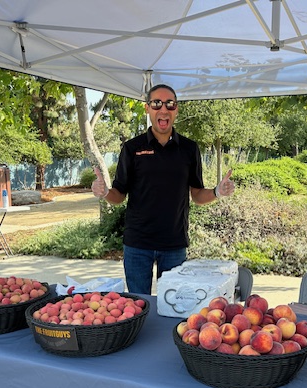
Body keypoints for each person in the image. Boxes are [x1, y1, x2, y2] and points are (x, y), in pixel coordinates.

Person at [92, 84, 235, 294]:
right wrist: (104, 192)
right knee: (139, 305)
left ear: (176, 110)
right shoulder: (132, 148)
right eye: (157, 103)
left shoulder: (189, 149)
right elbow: (119, 195)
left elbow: (197, 194)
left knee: (174, 307)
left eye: (170, 104)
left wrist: (217, 192)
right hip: (137, 244)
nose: (164, 109)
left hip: (174, 244)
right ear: (147, 108)